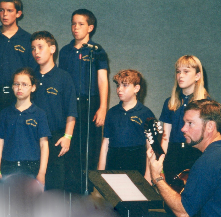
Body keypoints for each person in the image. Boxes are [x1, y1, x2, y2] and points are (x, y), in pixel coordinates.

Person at [58, 9, 109, 193]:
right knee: (70, 147)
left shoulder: (97, 51)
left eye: (80, 24)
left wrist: (102, 107)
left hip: (91, 103)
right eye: (73, 23)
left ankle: (87, 189)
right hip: (70, 104)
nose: (76, 27)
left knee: (90, 148)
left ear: (90, 27)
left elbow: (102, 80)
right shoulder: (65, 51)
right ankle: (71, 191)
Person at [31, 31, 78, 190]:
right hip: (32, 137)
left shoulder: (64, 77)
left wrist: (67, 136)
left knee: (54, 186)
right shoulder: (30, 77)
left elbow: (71, 110)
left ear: (52, 49)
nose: (36, 52)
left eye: (40, 47)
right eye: (33, 48)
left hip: (56, 137)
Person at [0, 67, 51, 185]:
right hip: (8, 168)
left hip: (31, 168)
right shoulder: (5, 113)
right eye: (16, 84)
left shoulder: (40, 114)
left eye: (25, 84)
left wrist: (42, 172)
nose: (20, 88)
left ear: (33, 87)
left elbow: (44, 144)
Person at [159, 55, 210, 183]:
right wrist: (161, 160)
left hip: (195, 154)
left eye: (186, 71)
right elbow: (165, 137)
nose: (180, 76)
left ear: (197, 76)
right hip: (173, 155)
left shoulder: (206, 104)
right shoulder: (170, 102)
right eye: (178, 71)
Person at [0, 0, 36, 116]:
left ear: (18, 13)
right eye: (1, 10)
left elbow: (33, 71)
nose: (5, 14)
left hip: (19, 96)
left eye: (9, 10)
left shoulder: (27, 39)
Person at [98, 70, 155, 183]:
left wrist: (148, 176)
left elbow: (150, 148)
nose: (119, 89)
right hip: (113, 164)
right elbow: (105, 145)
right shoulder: (111, 113)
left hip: (136, 165)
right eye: (118, 85)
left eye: (125, 85)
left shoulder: (146, 114)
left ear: (136, 88)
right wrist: (100, 173)